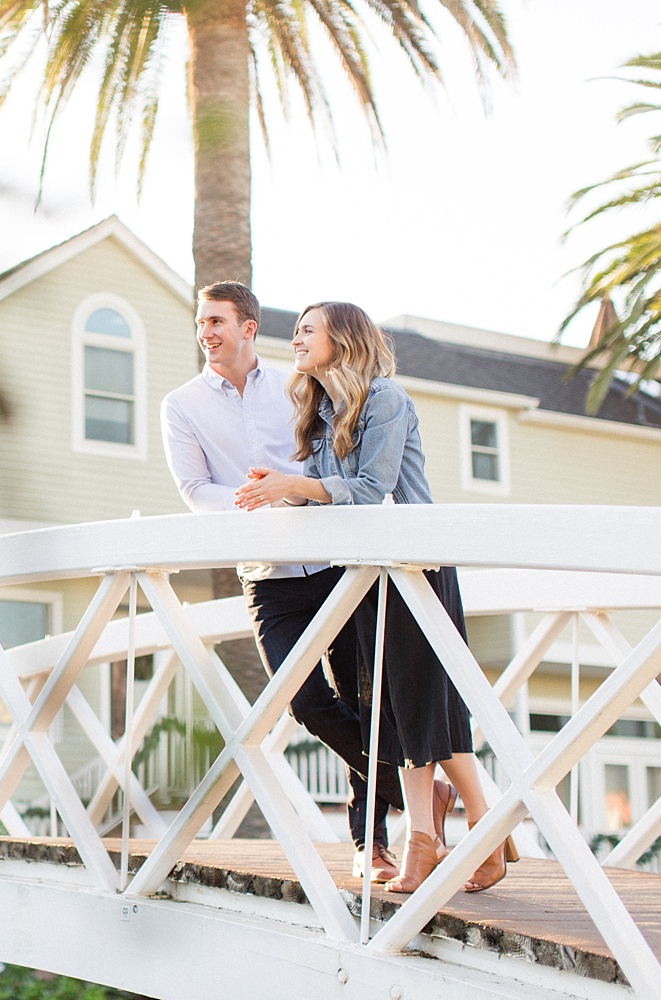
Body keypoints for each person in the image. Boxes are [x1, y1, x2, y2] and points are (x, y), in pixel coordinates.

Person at [234, 301, 516, 893]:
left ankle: (470, 835)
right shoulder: (318, 411)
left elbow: (369, 490)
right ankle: (436, 837)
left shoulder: (384, 399)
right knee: (387, 707)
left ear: (343, 337)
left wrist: (298, 484)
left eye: (309, 329)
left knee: (424, 703)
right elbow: (324, 500)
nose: (297, 339)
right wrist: (281, 494)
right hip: (362, 573)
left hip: (415, 566)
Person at [161, 281, 439, 882]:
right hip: (268, 575)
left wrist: (295, 496)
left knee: (365, 700)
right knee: (306, 699)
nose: (207, 333)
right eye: (201, 323)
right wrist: (258, 505)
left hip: (336, 562)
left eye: (217, 321)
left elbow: (333, 461)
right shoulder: (181, 405)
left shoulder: (300, 386)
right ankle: (416, 789)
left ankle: (372, 838)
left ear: (248, 327)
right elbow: (193, 490)